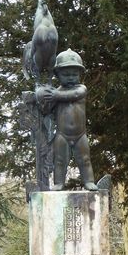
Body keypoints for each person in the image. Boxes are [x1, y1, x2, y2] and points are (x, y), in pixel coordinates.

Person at [36, 48, 98, 191]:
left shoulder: (81, 88)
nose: (70, 77)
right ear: (57, 74)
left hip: (80, 134)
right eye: (66, 74)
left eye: (74, 74)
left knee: (85, 159)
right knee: (59, 160)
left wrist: (55, 95)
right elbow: (47, 110)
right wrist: (42, 99)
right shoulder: (56, 92)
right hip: (62, 134)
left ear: (80, 75)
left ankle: (89, 181)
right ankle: (59, 183)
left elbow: (75, 94)